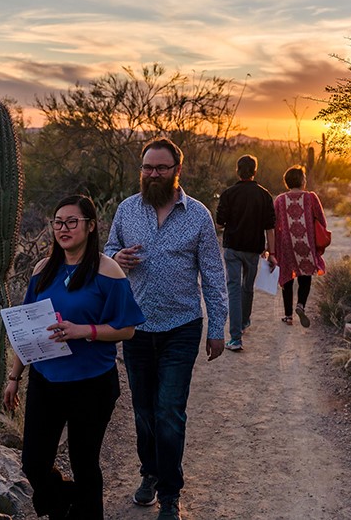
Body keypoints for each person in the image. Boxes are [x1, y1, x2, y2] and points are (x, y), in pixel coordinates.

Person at [105, 137, 228, 520]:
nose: (153, 173)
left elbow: (212, 274)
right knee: (143, 411)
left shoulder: (198, 215)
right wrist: (115, 258)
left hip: (182, 326)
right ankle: (150, 473)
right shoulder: (127, 210)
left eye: (161, 167)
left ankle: (171, 494)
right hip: (136, 328)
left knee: (169, 411)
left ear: (177, 170)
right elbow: (106, 253)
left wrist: (218, 327)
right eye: (148, 167)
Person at [3, 194, 146, 520]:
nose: (63, 228)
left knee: (84, 462)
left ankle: (85, 511)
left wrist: (84, 331)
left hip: (91, 383)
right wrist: (14, 377)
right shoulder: (43, 270)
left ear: (90, 225)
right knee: (34, 463)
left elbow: (127, 330)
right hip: (46, 380)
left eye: (71, 222)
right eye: (58, 222)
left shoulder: (108, 271)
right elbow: (27, 330)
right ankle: (67, 502)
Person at [215, 154, 276, 351]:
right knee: (247, 287)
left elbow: (219, 223)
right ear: (255, 172)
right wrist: (271, 252)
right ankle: (244, 322)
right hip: (253, 249)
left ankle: (235, 338)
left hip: (233, 247)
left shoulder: (228, 194)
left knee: (233, 289)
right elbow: (270, 228)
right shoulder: (264, 195)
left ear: (237, 171)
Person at [273, 165, 327, 328]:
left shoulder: (280, 200)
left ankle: (288, 315)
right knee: (305, 275)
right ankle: (300, 305)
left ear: (286, 182)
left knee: (287, 277)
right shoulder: (311, 197)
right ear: (302, 181)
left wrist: (273, 249)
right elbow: (322, 221)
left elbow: (274, 225)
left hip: (287, 243)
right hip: (306, 242)